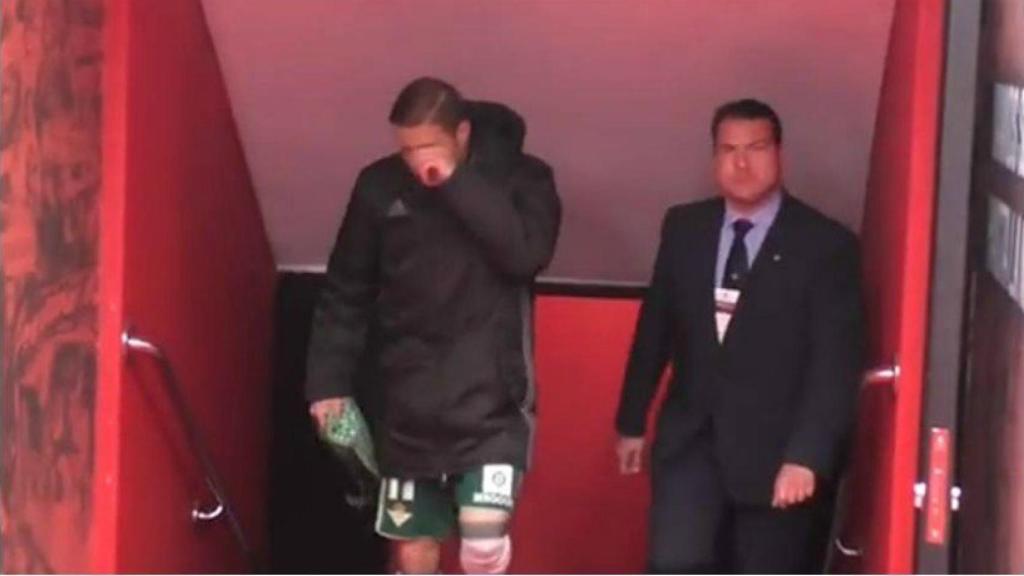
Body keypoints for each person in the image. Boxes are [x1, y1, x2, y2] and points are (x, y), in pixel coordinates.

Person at [305, 77, 561, 574]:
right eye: (406, 148)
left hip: (493, 402)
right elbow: (346, 288)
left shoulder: (523, 178)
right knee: (414, 552)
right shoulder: (378, 186)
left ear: (462, 133)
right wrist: (327, 382)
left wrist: (455, 182)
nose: (416, 158)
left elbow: (525, 254)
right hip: (406, 405)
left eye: (429, 145)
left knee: (482, 546)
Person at [615, 98, 865, 573]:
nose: (742, 162)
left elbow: (835, 364)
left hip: (778, 451)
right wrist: (631, 420)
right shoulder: (686, 227)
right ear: (714, 158)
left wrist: (807, 457)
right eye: (729, 150)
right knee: (673, 562)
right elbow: (656, 328)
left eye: (755, 148)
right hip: (692, 439)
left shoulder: (825, 245)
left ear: (779, 154)